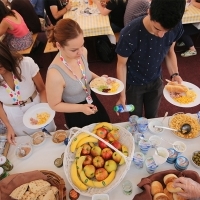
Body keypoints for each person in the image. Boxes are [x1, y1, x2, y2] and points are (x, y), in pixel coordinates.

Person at [115, 0, 185, 118]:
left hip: (156, 80)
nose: (161, 35)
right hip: (133, 84)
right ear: (149, 12)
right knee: (135, 118)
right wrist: (122, 95)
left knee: (152, 116)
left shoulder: (175, 25)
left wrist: (175, 74)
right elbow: (121, 65)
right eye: (157, 28)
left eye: (166, 31)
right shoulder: (129, 33)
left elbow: (169, 51)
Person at [45, 18, 110, 128]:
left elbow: (85, 72)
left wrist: (99, 79)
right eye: (74, 49)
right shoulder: (54, 74)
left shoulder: (83, 51)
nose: (80, 51)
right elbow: (54, 104)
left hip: (91, 99)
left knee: (106, 128)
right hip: (75, 111)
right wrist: (81, 108)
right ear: (59, 46)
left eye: (82, 45)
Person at [0, 42, 56, 145]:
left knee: (51, 138)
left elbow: (42, 89)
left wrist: (43, 111)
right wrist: (8, 126)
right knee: (27, 143)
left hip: (36, 106)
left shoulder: (26, 63)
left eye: (0, 66)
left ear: (6, 57)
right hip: (14, 115)